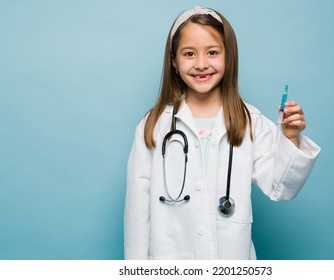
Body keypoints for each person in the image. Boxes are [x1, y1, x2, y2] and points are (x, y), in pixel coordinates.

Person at [124, 6, 320, 260]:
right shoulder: (152, 126)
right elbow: (137, 213)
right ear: (173, 61)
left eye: (213, 52)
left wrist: (290, 138)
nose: (202, 64)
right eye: (189, 53)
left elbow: (280, 187)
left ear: (229, 57)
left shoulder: (250, 121)